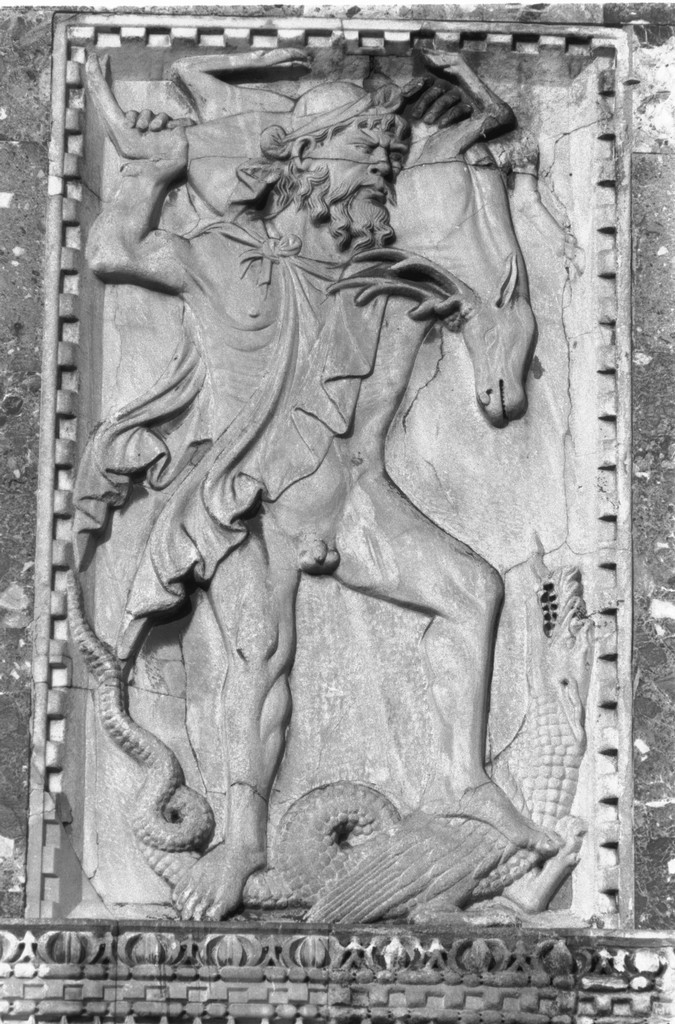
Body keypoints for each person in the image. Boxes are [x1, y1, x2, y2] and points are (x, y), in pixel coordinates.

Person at [74, 53, 558, 921]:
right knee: (259, 658)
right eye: (364, 151)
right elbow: (112, 251)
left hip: (354, 499)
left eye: (387, 155)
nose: (380, 167)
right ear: (304, 159)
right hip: (248, 500)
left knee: (472, 590)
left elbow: (481, 277)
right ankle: (242, 844)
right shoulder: (224, 255)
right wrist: (156, 168)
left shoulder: (387, 279)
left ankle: (464, 782)